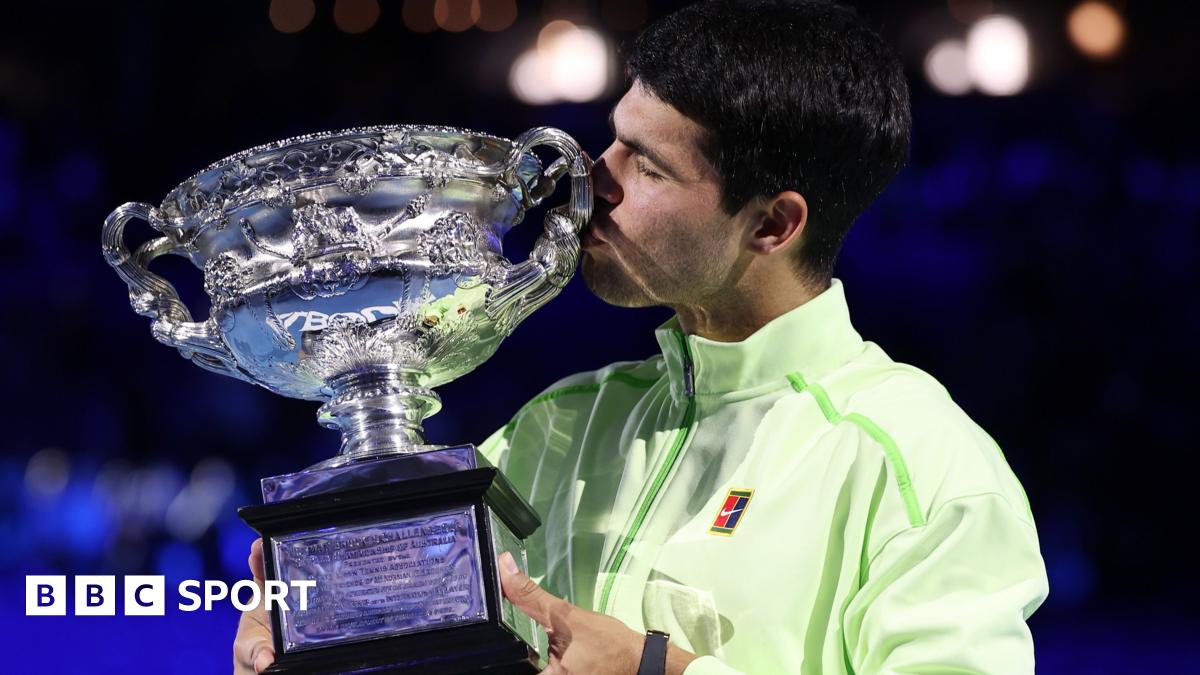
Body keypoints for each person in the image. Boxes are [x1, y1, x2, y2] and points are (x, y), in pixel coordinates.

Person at [234, 1, 1049, 673]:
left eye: (649, 166)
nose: (593, 180)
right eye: (614, 138)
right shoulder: (556, 428)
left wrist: (661, 670)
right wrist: (321, 623)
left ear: (773, 223)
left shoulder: (921, 463)